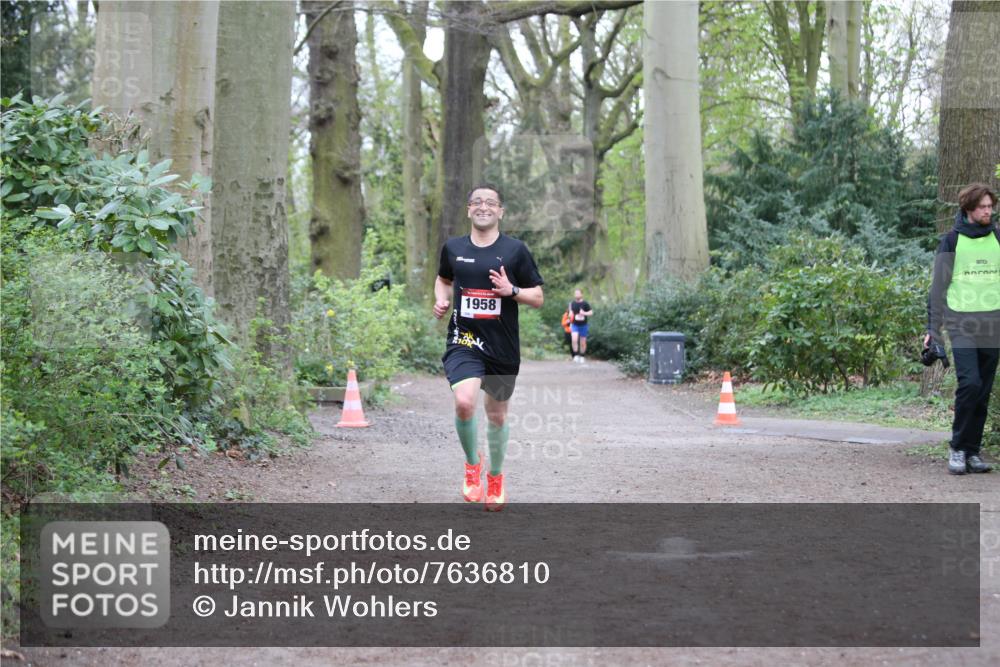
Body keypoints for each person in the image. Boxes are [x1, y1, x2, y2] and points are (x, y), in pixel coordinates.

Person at [433, 184, 545, 510]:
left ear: (500, 211)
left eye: (491, 203)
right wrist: (441, 300)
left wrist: (512, 290)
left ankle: (495, 476)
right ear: (468, 209)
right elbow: (443, 279)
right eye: (477, 202)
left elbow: (537, 297)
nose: (484, 207)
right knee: (465, 402)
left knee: (496, 415)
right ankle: (472, 465)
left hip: (502, 346)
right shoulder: (453, 248)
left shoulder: (515, 251)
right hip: (464, 340)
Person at [926, 182, 999, 475]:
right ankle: (957, 447)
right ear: (968, 209)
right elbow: (938, 289)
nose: (988, 211)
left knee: (982, 391)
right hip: (962, 323)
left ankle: (972, 451)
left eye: (990, 206)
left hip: (993, 325)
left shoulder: (997, 237)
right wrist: (933, 329)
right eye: (982, 206)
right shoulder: (952, 241)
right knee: (969, 383)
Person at [569, 288, 594, 363]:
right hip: (574, 324)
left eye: (578, 293)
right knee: (574, 339)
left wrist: (584, 313)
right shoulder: (572, 303)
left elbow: (591, 312)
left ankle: (582, 356)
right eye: (575, 293)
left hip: (583, 325)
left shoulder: (585, 303)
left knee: (583, 342)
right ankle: (576, 355)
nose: (576, 295)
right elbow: (570, 312)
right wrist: (570, 315)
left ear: (581, 294)